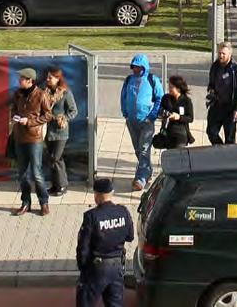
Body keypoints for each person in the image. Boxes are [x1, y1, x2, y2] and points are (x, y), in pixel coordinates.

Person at [75, 178, 133, 307]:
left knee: (85, 302)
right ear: (112, 193)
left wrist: (83, 268)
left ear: (97, 195)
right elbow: (130, 236)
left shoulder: (91, 216)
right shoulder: (123, 211)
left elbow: (83, 247)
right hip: (117, 267)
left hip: (96, 268)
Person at [10, 68, 53, 216]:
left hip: (34, 138)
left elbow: (48, 115)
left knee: (37, 172)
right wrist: (15, 116)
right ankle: (25, 203)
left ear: (30, 80)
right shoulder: (17, 94)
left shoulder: (41, 95)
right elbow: (13, 109)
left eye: (22, 78)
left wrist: (29, 121)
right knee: (22, 174)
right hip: (19, 138)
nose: (19, 80)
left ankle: (44, 203)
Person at [120, 54, 163, 192]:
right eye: (134, 66)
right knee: (138, 149)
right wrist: (125, 113)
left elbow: (159, 98)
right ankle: (147, 170)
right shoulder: (129, 80)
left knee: (144, 149)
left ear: (144, 67)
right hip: (132, 121)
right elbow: (123, 96)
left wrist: (152, 116)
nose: (136, 69)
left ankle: (141, 178)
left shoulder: (152, 80)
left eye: (138, 66)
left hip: (147, 122)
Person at [43, 66, 78, 197]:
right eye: (47, 77)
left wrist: (64, 118)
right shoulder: (45, 92)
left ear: (58, 79)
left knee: (56, 158)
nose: (47, 79)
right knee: (52, 159)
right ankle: (55, 184)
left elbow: (74, 110)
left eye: (50, 77)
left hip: (60, 131)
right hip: (48, 130)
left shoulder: (65, 93)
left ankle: (62, 185)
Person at [206, 42, 237, 145]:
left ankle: (228, 156)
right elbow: (211, 83)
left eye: (223, 54)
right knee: (211, 132)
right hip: (217, 105)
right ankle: (220, 151)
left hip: (231, 108)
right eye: (219, 53)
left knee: (230, 138)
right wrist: (211, 91)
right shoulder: (215, 66)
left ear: (230, 54)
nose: (221, 56)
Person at [158, 76, 194, 149]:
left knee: (178, 156)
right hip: (167, 132)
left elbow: (190, 118)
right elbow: (160, 111)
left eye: (171, 87)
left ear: (178, 88)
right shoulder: (166, 98)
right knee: (169, 156)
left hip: (181, 133)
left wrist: (179, 117)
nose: (169, 89)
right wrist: (164, 114)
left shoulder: (186, 101)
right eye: (169, 87)